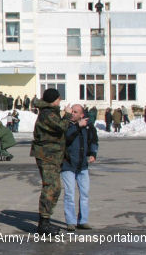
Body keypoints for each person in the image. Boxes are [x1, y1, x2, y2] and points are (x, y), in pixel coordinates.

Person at [30, 88, 87, 234]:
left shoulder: (50, 112)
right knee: (51, 187)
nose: (60, 101)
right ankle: (44, 223)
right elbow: (61, 126)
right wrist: (67, 115)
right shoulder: (48, 114)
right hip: (47, 155)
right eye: (58, 99)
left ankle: (45, 220)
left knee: (53, 187)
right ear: (54, 100)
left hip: (52, 155)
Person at [61, 104, 98, 232]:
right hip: (68, 164)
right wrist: (77, 126)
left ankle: (83, 220)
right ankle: (70, 222)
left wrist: (93, 153)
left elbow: (93, 140)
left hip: (82, 165)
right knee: (69, 194)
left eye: (76, 112)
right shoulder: (67, 124)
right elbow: (66, 138)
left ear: (82, 114)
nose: (73, 114)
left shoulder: (88, 126)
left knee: (85, 193)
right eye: (72, 111)